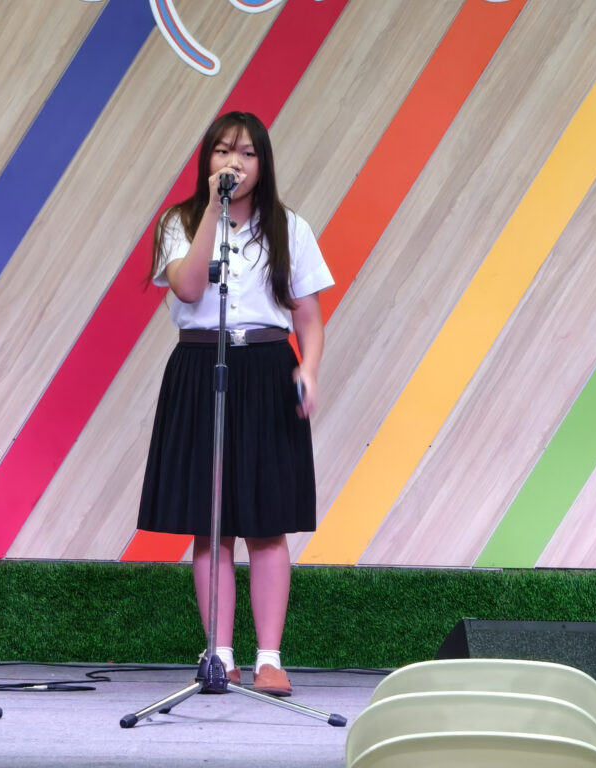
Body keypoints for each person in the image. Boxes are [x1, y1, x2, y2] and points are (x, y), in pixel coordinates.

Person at [138, 111, 333, 697]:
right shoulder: (178, 222)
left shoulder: (289, 228)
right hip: (201, 367)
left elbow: (309, 317)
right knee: (212, 522)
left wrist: (308, 369)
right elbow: (188, 287)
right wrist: (212, 212)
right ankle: (218, 654)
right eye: (224, 151)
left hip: (268, 368)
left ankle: (270, 658)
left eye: (247, 153)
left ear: (263, 164)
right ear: (207, 159)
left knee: (267, 523)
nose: (235, 162)